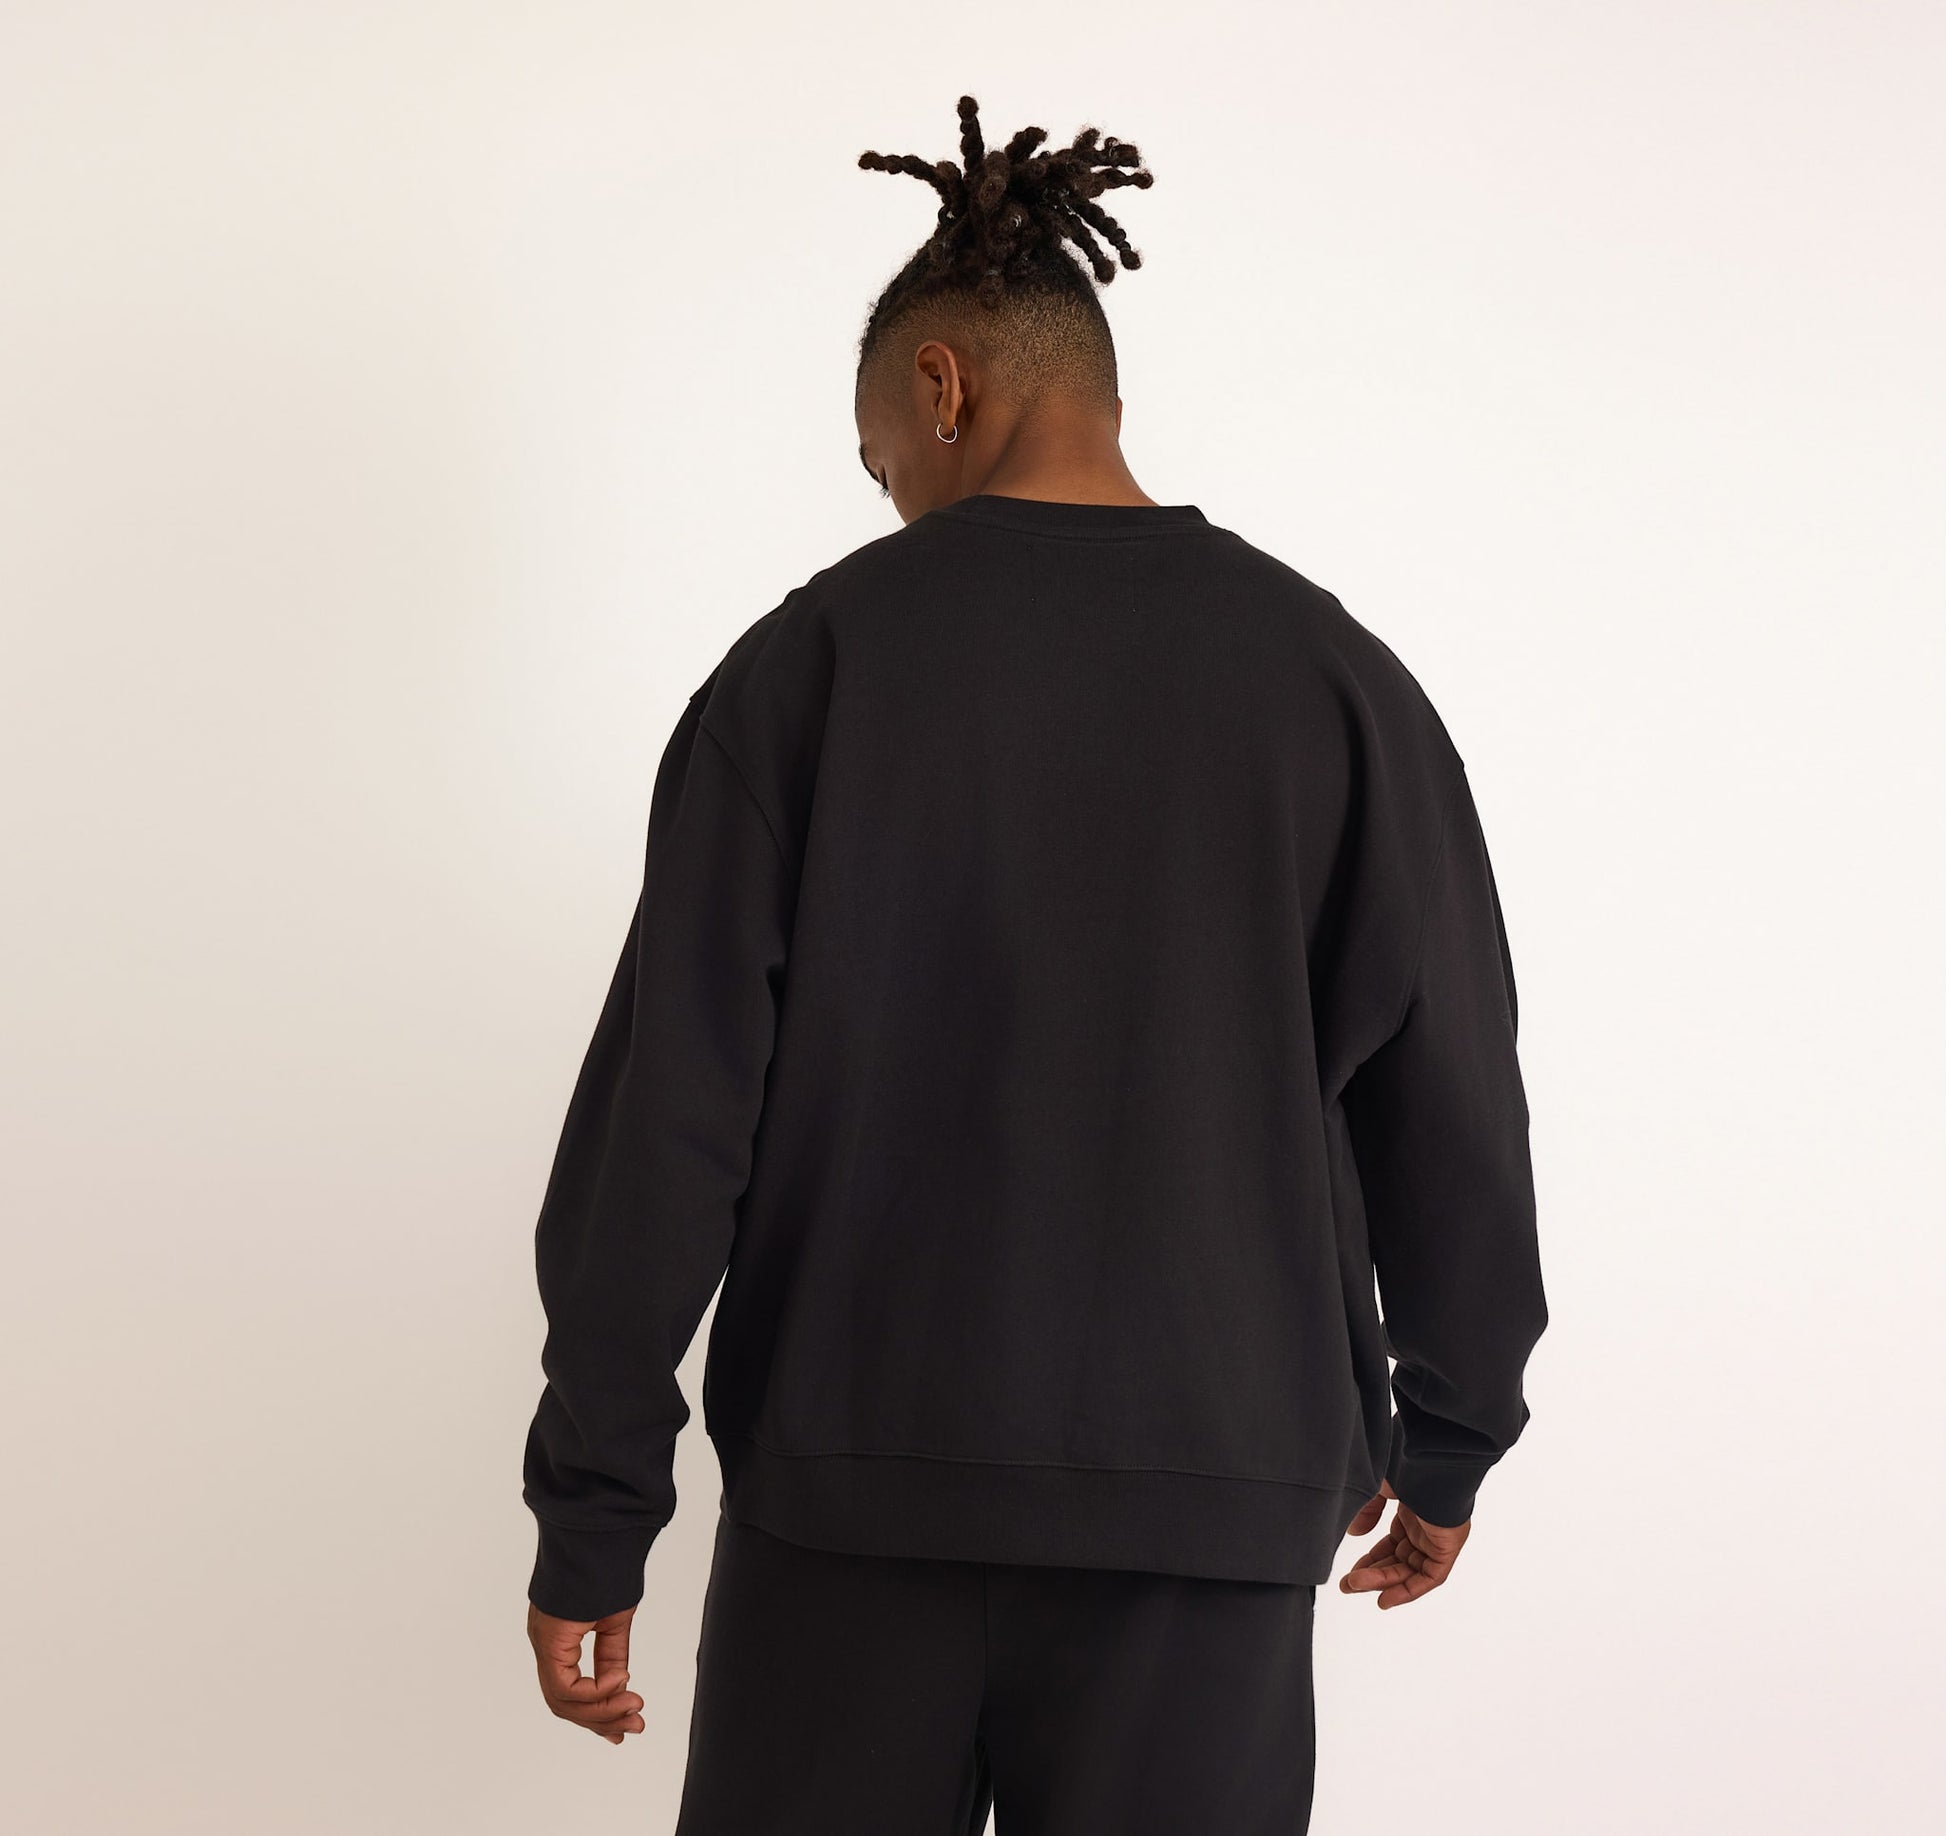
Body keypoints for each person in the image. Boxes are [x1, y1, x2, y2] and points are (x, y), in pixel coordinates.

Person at [520, 94, 1549, 1833]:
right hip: (1207, 1517)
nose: (890, 500)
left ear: (940, 385)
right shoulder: (1336, 688)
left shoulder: (806, 671)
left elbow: (665, 1130)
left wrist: (594, 1510)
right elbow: (1449, 1104)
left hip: (846, 1517)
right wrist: (1449, 1433)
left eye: (878, 460)